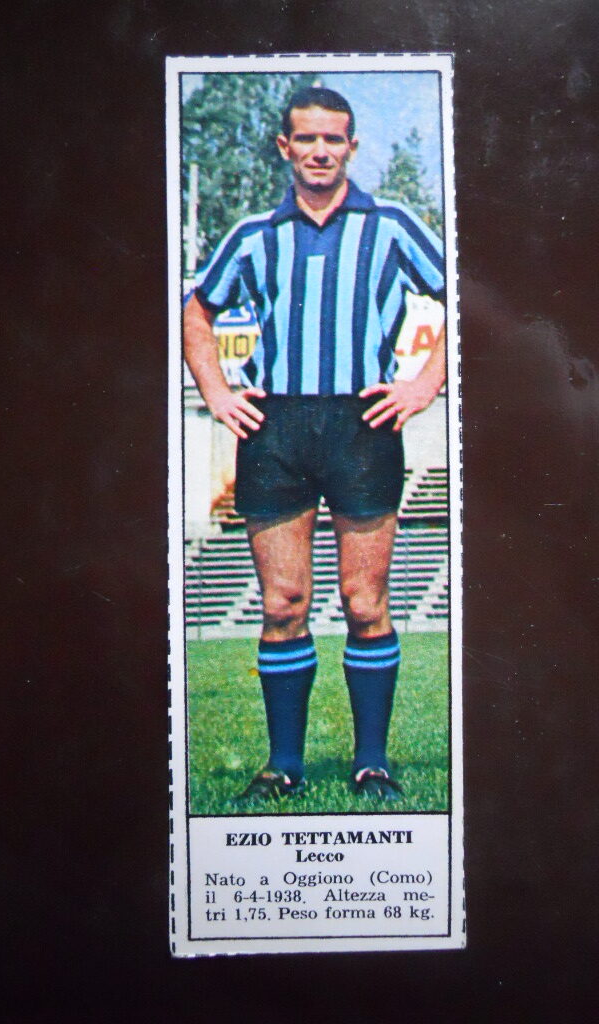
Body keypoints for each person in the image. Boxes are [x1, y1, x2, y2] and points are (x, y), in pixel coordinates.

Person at [183, 86, 446, 802]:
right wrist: (217, 394)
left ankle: (372, 763)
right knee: (283, 602)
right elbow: (198, 311)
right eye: (307, 138)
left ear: (352, 146)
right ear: (285, 146)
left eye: (334, 139)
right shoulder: (253, 235)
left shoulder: (391, 224)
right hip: (276, 430)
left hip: (363, 425)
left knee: (364, 601)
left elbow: (466, 295)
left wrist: (423, 385)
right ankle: (284, 765)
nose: (321, 151)